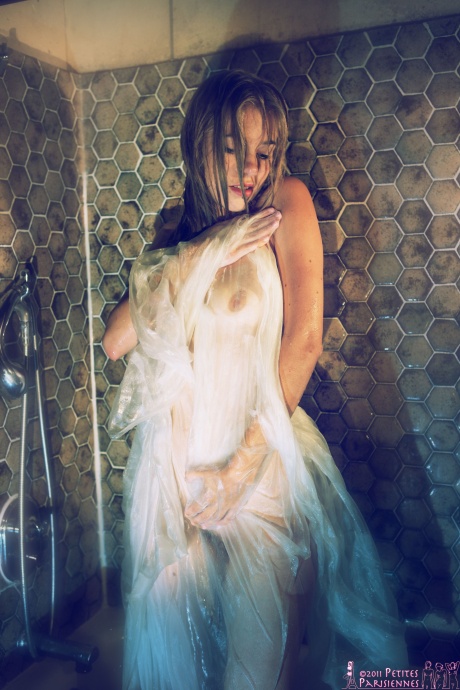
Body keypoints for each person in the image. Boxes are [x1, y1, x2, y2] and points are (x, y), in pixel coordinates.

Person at [103, 70, 407, 690]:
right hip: (177, 477)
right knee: (184, 665)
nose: (251, 168)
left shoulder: (283, 204)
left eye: (265, 151)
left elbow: (304, 340)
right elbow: (116, 340)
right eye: (233, 149)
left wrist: (241, 467)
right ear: (200, 145)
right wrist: (210, 246)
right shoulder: (179, 233)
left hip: (258, 465)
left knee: (258, 670)